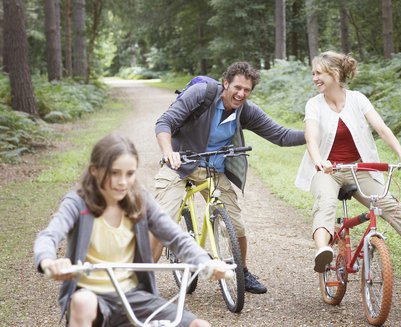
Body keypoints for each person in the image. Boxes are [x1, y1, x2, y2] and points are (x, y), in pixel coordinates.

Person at [34, 134, 233, 327]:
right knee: (82, 302)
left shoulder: (139, 200)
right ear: (94, 170)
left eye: (129, 174)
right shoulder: (77, 202)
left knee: (199, 324)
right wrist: (48, 261)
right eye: (114, 173)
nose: (122, 182)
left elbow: (175, 236)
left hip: (132, 296)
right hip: (91, 297)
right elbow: (50, 234)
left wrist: (205, 262)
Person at [295, 51, 401, 274]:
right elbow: (311, 137)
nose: (314, 78)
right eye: (313, 73)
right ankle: (322, 251)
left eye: (318, 73)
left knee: (392, 206)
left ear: (334, 74)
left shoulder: (357, 99)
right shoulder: (314, 104)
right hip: (327, 170)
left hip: (358, 168)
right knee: (325, 203)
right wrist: (319, 162)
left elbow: (382, 130)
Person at [152, 61, 305, 294]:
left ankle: (242, 271)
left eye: (247, 90)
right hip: (179, 164)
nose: (241, 93)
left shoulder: (246, 110)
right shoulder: (201, 95)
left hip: (213, 169)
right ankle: (143, 282)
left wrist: (313, 134)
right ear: (225, 84)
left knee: (236, 225)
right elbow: (165, 122)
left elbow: (281, 135)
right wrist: (168, 152)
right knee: (163, 222)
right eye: (237, 87)